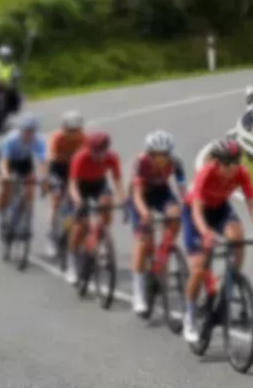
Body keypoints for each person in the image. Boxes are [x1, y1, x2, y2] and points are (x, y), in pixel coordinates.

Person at [181, 135, 253, 342]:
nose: (233, 167)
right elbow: (196, 210)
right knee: (200, 267)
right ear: (217, 162)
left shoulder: (241, 173)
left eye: (236, 161)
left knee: (237, 236)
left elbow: (252, 203)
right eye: (228, 163)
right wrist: (205, 232)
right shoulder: (206, 173)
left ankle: (230, 280)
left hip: (220, 208)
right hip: (197, 213)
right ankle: (190, 316)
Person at [126, 131, 188, 317]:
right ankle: (138, 293)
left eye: (165, 155)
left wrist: (188, 208)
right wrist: (145, 213)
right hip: (141, 196)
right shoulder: (141, 163)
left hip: (161, 193)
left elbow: (183, 191)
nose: (161, 159)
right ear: (150, 154)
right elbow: (137, 194)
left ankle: (165, 251)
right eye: (157, 156)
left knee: (176, 214)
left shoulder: (176, 164)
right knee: (143, 241)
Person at [65, 129, 123, 264]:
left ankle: (101, 234)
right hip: (81, 186)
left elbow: (118, 180)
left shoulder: (112, 157)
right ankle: (72, 257)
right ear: (89, 148)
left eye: (102, 150)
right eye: (95, 150)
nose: (99, 154)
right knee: (81, 224)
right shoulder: (80, 157)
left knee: (107, 202)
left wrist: (123, 199)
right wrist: (78, 200)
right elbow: (72, 184)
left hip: (98, 183)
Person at [43, 110, 89, 250]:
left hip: (73, 169)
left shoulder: (83, 138)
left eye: (76, 130)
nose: (73, 133)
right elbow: (50, 158)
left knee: (75, 202)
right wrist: (46, 179)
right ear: (63, 128)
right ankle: (51, 233)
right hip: (57, 168)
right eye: (70, 130)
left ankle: (69, 227)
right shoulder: (57, 137)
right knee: (56, 198)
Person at [0, 115, 44, 221]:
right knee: (4, 188)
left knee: (30, 185)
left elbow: (43, 161)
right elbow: (4, 161)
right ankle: (0, 212)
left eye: (32, 131)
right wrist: (5, 175)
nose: (29, 134)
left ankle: (28, 212)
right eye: (27, 131)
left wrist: (43, 176)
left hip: (24, 160)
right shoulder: (11, 139)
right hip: (8, 160)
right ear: (21, 130)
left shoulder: (38, 140)